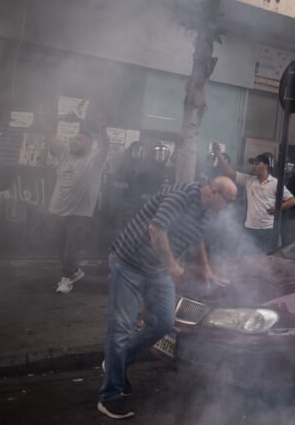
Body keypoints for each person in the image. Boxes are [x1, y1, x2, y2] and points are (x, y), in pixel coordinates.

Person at [97, 176, 236, 419]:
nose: (229, 206)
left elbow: (197, 239)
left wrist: (206, 269)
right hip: (129, 264)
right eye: (229, 200)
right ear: (214, 192)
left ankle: (116, 364)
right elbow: (156, 229)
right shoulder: (182, 195)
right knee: (120, 328)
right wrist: (172, 265)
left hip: (156, 269)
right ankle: (110, 396)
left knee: (163, 323)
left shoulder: (205, 212)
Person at [39, 107, 109, 294]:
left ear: (89, 144)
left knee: (70, 250)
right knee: (60, 248)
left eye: (79, 139)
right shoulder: (64, 154)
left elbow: (105, 147)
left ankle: (66, 279)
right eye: (73, 138)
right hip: (56, 211)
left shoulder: (95, 159)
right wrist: (45, 120)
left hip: (79, 214)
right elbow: (51, 138)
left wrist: (103, 128)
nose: (74, 141)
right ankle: (74, 272)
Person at [212, 144, 295, 254]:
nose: (254, 166)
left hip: (268, 230)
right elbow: (228, 172)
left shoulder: (275, 183)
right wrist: (218, 154)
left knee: (269, 258)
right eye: (253, 164)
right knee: (249, 258)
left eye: (257, 164)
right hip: (250, 228)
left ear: (266, 165)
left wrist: (278, 208)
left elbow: (292, 200)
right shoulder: (248, 180)